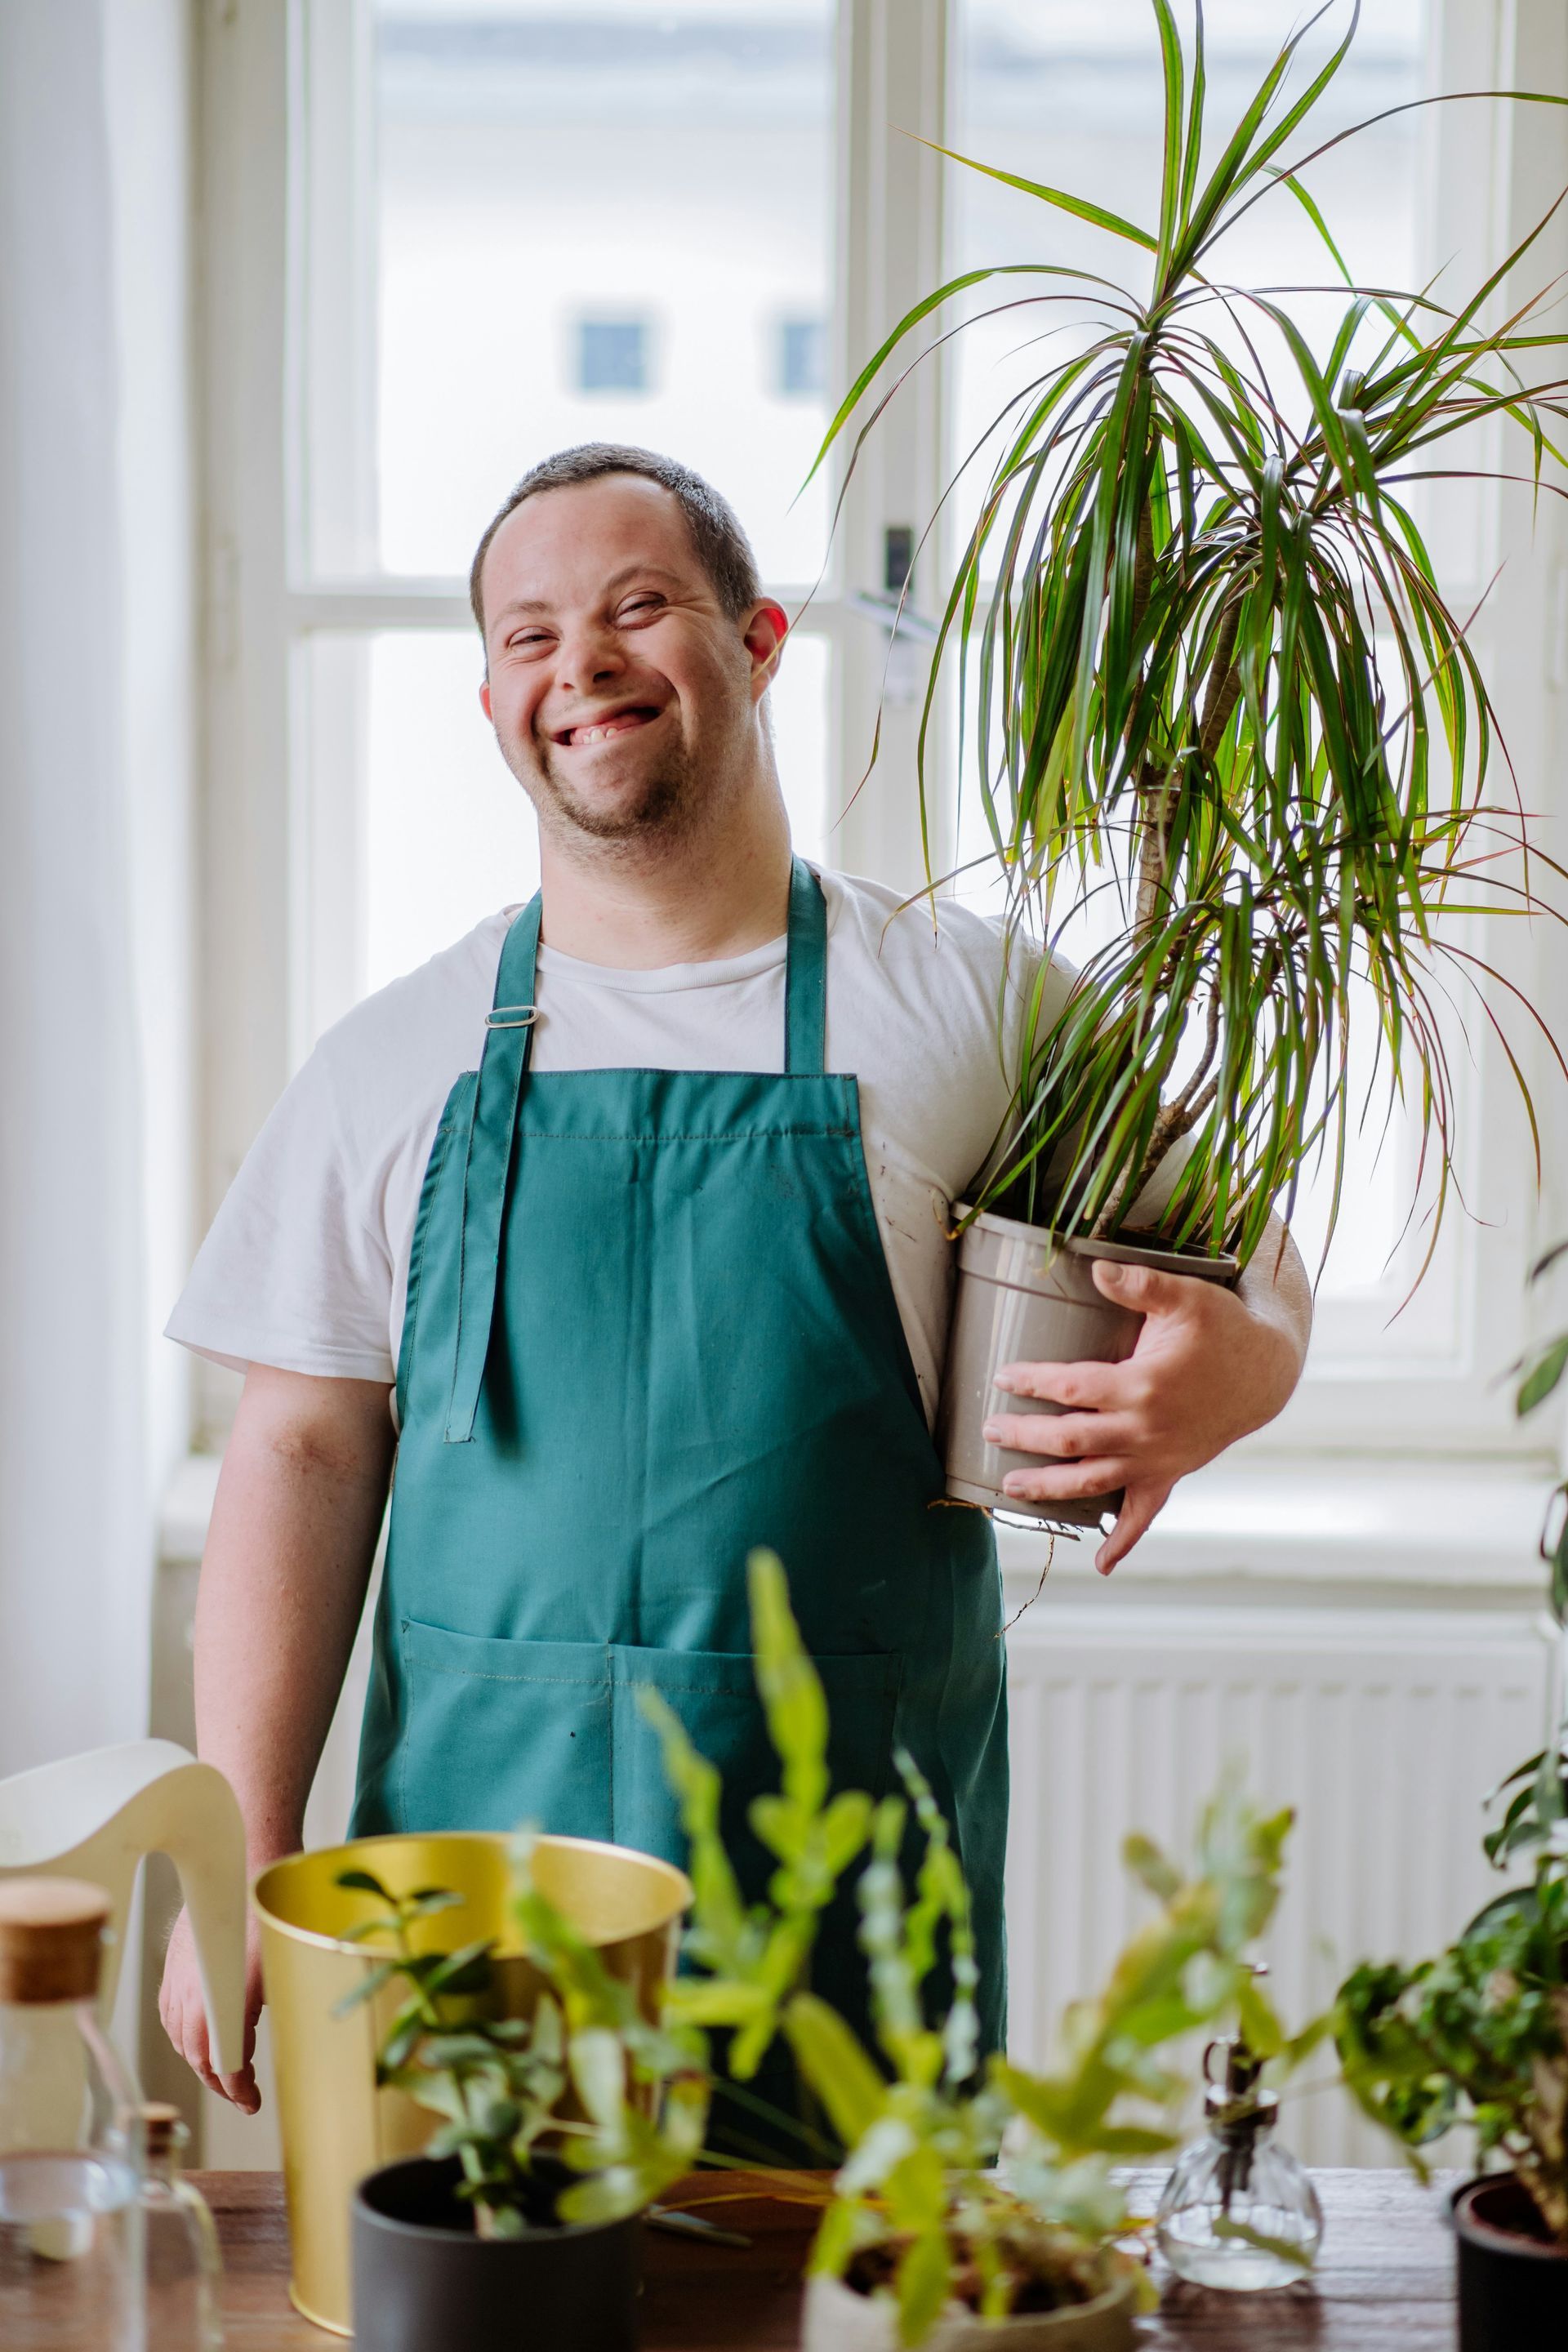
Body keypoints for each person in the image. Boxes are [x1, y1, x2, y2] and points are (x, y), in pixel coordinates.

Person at [158, 444, 1312, 2122]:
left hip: (852, 1914)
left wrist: (1238, 1380)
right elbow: (305, 1452)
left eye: (641, 609)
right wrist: (245, 1852)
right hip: (473, 1908)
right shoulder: (389, 1059)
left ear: (761, 642)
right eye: (533, 633)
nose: (586, 665)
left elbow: (1252, 1262)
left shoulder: (965, 1006)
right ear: (489, 696)